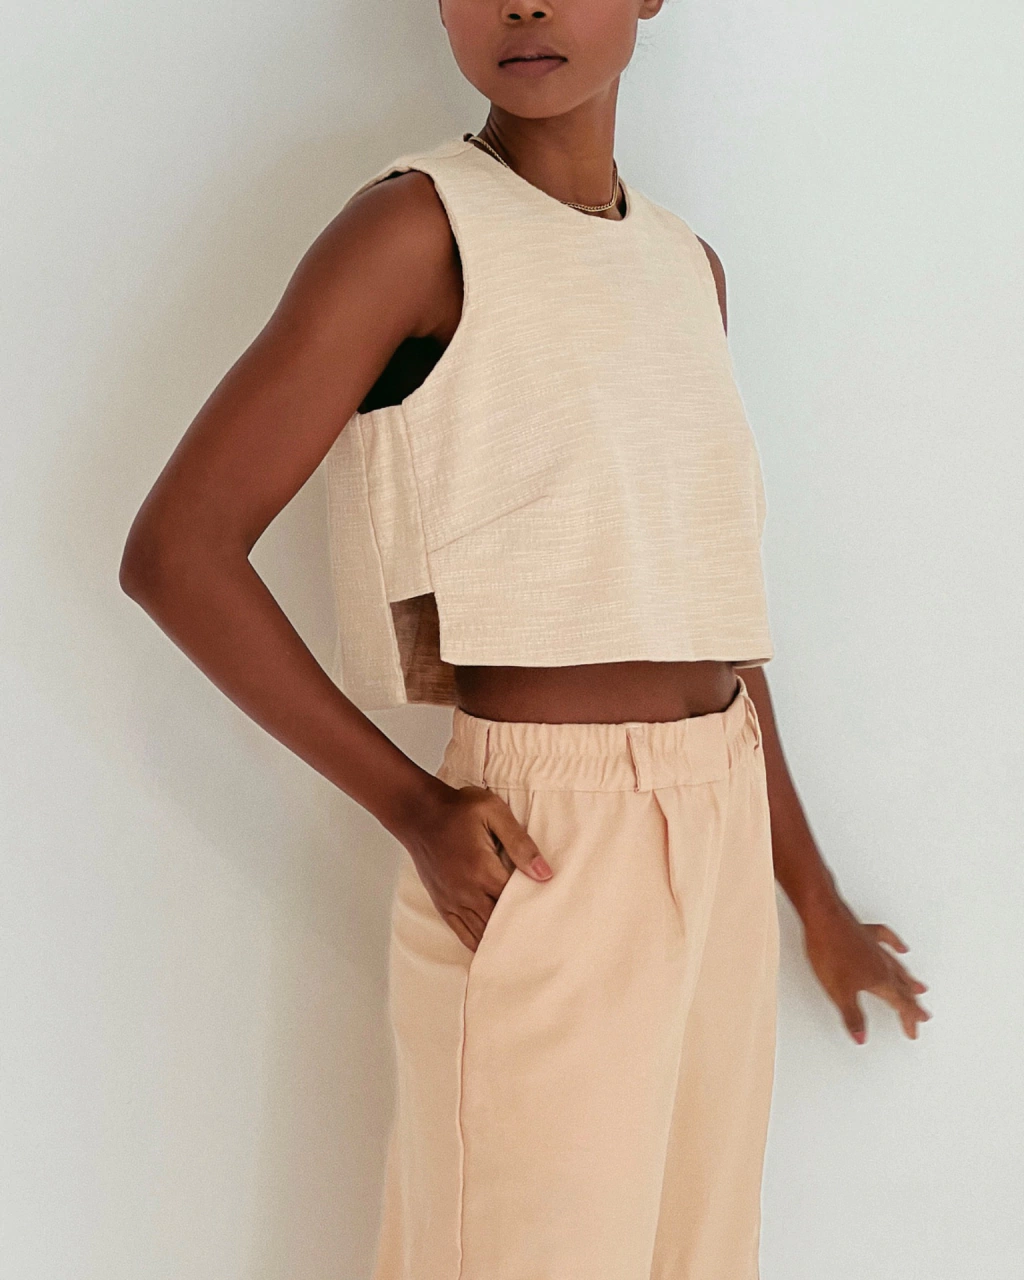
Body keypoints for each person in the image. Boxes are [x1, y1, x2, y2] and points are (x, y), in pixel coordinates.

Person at [120, 1, 931, 1275]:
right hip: (543, 841)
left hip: (717, 830)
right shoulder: (415, 232)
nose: (524, 5)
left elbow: (707, 613)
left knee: (697, 1252)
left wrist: (809, 894)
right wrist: (413, 806)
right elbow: (178, 551)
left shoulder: (687, 267)